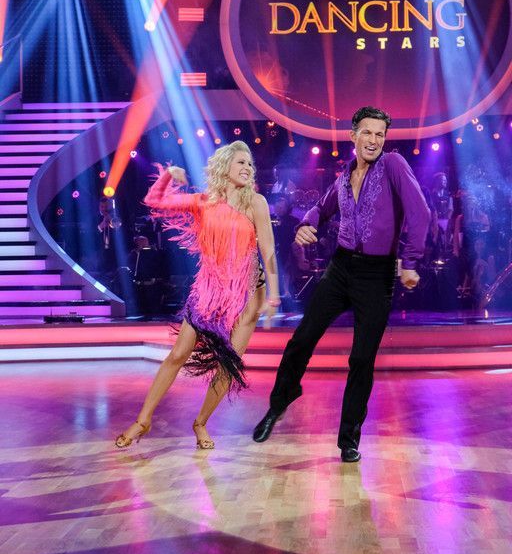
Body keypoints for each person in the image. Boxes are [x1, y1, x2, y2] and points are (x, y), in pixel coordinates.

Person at [252, 107, 430, 462]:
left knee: (361, 359)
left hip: (376, 275)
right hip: (341, 268)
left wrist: (410, 262)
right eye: (367, 132)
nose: (374, 140)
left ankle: (348, 438)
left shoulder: (393, 165)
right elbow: (321, 208)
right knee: (302, 338)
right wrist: (307, 224)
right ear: (353, 135)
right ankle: (280, 402)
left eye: (380, 134)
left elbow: (420, 212)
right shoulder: (344, 176)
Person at [115, 141, 279, 450]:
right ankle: (143, 420)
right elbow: (154, 200)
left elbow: (268, 250)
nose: (247, 167)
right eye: (240, 162)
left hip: (246, 295)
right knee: (178, 354)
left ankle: (200, 422)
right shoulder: (203, 202)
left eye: (249, 163)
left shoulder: (256, 202)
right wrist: (168, 175)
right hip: (208, 292)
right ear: (224, 167)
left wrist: (274, 296)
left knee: (228, 365)